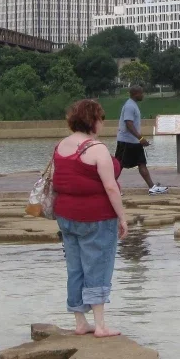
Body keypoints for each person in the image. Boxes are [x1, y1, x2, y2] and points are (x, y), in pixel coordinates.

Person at [53, 99, 127, 338]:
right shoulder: (96, 149)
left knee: (75, 268)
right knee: (98, 267)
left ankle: (80, 322)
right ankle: (101, 325)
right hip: (97, 218)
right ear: (93, 120)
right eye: (101, 119)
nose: (102, 123)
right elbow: (111, 188)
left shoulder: (61, 146)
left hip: (66, 216)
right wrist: (122, 217)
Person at [116, 85, 168, 195]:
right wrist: (140, 138)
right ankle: (109, 187)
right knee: (119, 165)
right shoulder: (129, 106)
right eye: (141, 93)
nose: (143, 95)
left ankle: (152, 187)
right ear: (136, 94)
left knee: (141, 163)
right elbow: (128, 124)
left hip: (134, 141)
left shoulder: (133, 105)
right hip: (126, 141)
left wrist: (139, 139)